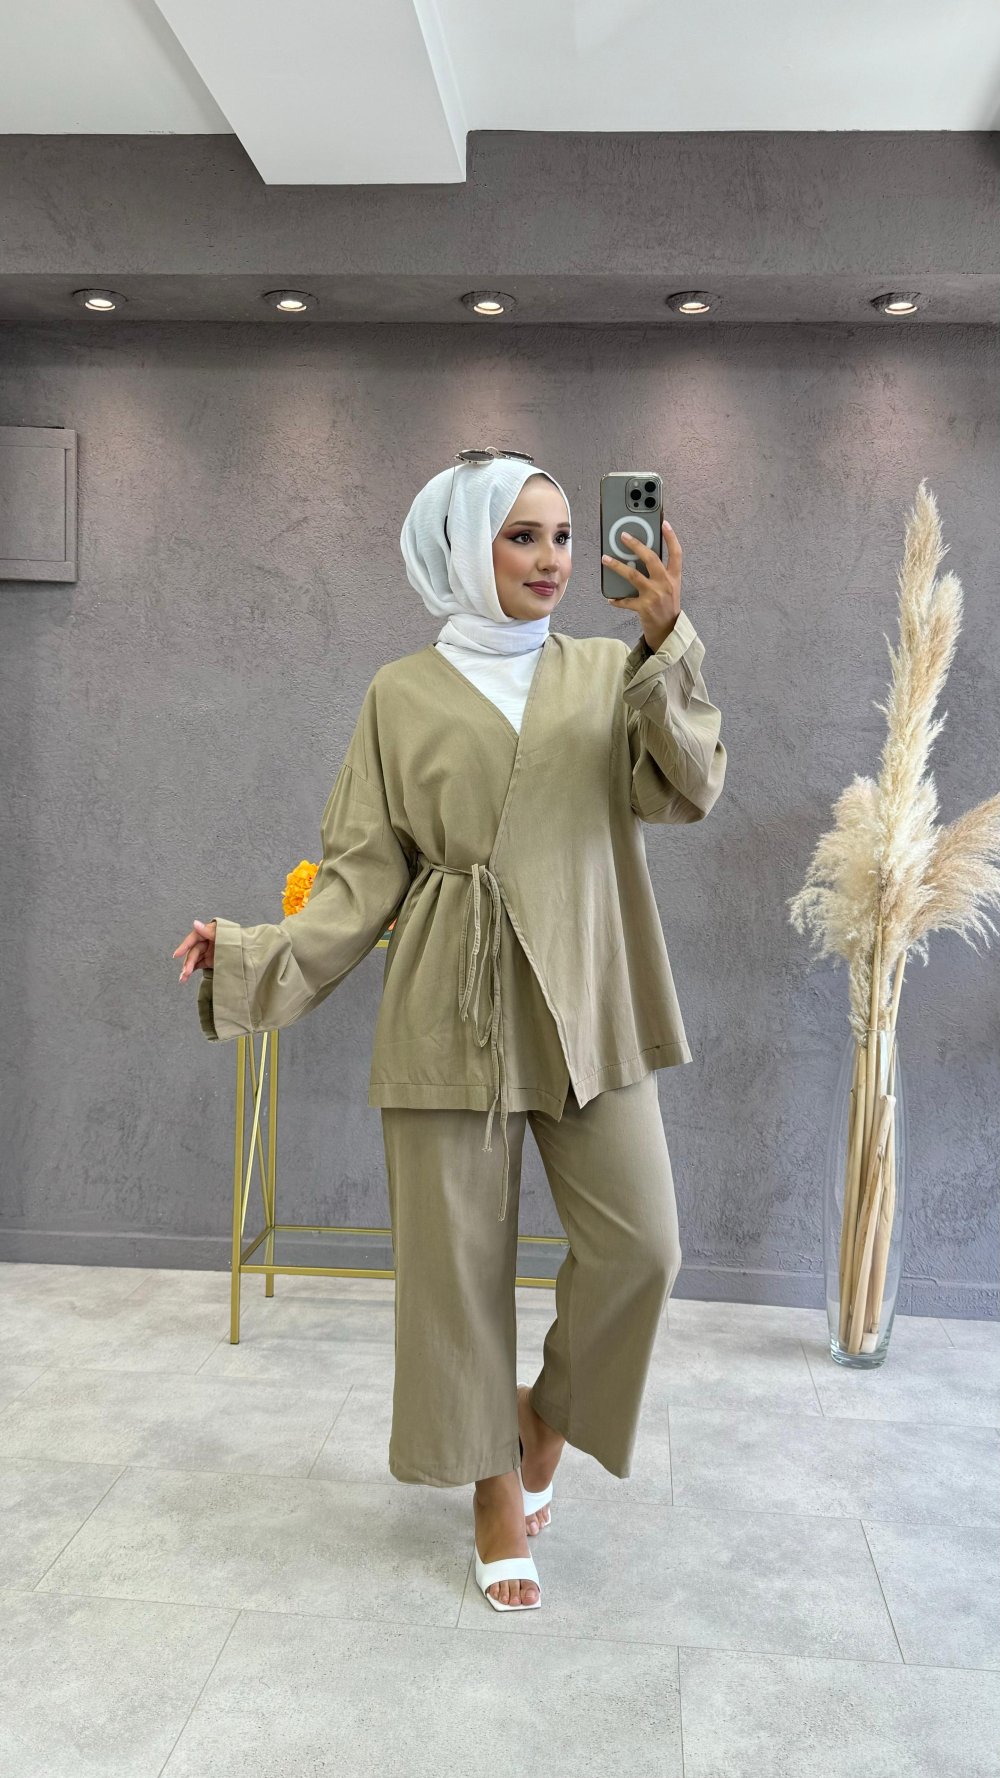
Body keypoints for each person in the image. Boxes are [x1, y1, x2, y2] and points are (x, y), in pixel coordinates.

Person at [173, 448, 727, 1611]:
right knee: (456, 1271)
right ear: (461, 549)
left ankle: (541, 1423)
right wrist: (253, 953)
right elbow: (359, 875)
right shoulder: (399, 692)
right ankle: (491, 1487)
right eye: (521, 535)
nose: (551, 558)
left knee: (643, 1246)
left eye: (563, 534)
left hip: (588, 988)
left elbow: (683, 789)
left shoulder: (606, 669)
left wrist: (665, 646)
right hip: (450, 999)